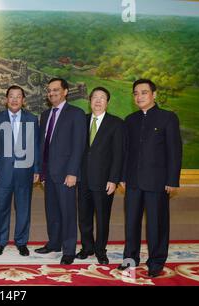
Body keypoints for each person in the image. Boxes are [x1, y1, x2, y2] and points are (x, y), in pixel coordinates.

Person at [118, 79, 182, 278]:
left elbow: (175, 151)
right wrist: (122, 176)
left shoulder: (168, 118)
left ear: (154, 94)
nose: (139, 97)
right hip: (133, 182)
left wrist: (172, 180)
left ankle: (155, 262)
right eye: (136, 93)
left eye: (144, 92)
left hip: (157, 182)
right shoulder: (130, 120)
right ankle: (130, 258)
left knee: (157, 223)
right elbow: (125, 152)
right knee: (131, 223)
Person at [35, 78, 86, 265]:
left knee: (68, 212)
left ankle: (69, 249)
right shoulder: (45, 114)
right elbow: (43, 145)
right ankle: (54, 243)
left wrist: (73, 172)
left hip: (66, 174)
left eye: (56, 90)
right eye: (49, 90)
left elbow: (78, 145)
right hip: (48, 173)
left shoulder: (76, 114)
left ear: (65, 91)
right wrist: (41, 171)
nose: (52, 93)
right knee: (52, 212)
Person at [0, 85, 40, 257]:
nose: (15, 99)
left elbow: (36, 147)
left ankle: (21, 241)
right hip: (2, 172)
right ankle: (0, 241)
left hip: (25, 172)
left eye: (18, 96)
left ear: (23, 100)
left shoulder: (32, 119)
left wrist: (36, 169)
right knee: (1, 208)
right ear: (6, 99)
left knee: (23, 208)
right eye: (11, 96)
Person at [76, 87, 123, 265]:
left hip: (104, 181)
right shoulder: (82, 120)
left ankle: (100, 250)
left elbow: (119, 154)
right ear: (89, 101)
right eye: (95, 97)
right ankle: (87, 247)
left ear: (107, 102)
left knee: (103, 217)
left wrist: (114, 179)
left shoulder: (116, 123)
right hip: (83, 179)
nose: (98, 101)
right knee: (84, 216)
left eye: (102, 98)